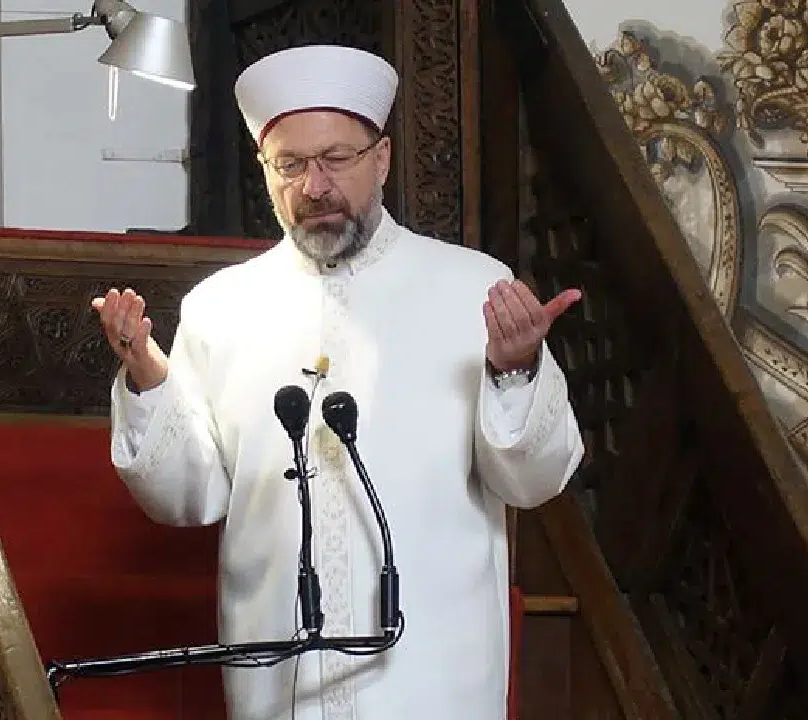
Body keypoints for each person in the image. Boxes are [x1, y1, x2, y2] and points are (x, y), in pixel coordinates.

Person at [90, 44, 585, 719]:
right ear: (264, 170)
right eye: (290, 164)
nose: (314, 187)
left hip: (433, 672)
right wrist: (148, 376)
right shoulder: (221, 307)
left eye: (335, 159)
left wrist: (516, 369)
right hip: (279, 671)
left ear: (381, 159)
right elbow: (189, 496)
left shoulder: (472, 287)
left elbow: (533, 481)